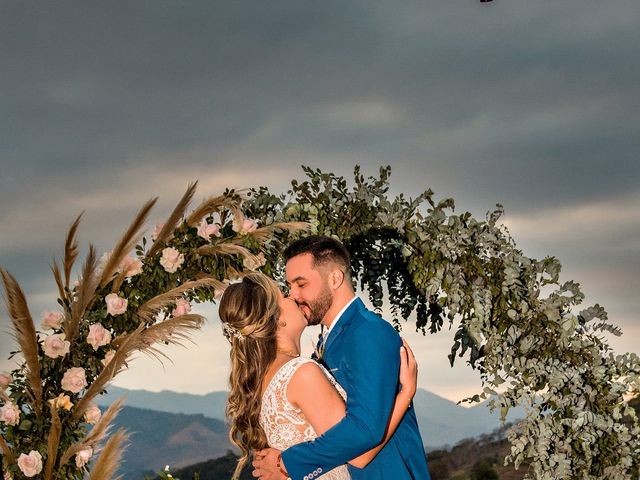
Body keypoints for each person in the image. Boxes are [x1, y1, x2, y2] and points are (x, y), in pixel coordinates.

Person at [252, 236, 430, 480]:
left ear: (335, 279)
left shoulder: (369, 333)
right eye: (290, 285)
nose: (293, 294)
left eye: (301, 284)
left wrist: (289, 463)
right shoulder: (327, 342)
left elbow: (365, 429)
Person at [219, 272, 418, 480]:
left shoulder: (263, 379)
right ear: (278, 318)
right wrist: (406, 393)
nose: (294, 297)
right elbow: (360, 454)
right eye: (285, 296)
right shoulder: (300, 373)